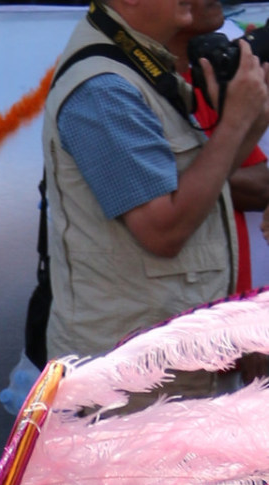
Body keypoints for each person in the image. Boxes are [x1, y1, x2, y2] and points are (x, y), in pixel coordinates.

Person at [43, 0, 269, 361]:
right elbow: (163, 231)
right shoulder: (105, 89)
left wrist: (254, 113)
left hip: (158, 363)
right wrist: (235, 122)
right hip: (125, 381)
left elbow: (205, 180)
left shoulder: (139, 66)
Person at [170, 0, 269, 292]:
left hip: (225, 304)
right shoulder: (119, 85)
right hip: (178, 314)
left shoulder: (211, 71)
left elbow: (259, 184)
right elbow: (161, 194)